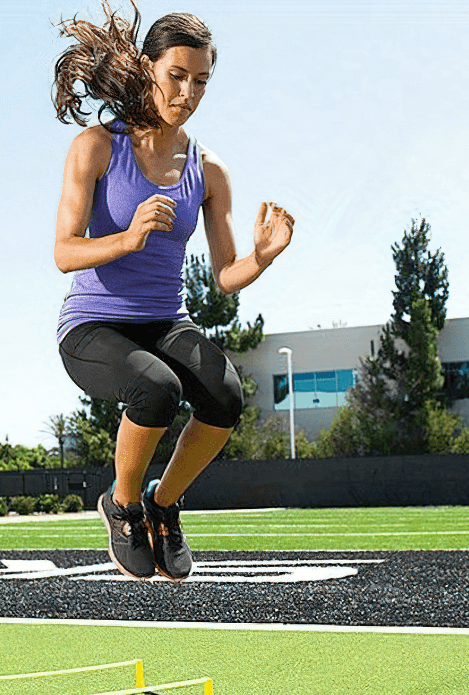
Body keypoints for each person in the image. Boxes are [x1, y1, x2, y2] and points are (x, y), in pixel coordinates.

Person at [51, 1, 293, 581]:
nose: (187, 92)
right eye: (176, 76)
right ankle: (124, 505)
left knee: (225, 395)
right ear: (148, 68)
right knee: (156, 389)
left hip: (166, 322)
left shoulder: (208, 172)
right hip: (94, 326)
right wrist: (128, 238)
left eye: (201, 80)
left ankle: (164, 504)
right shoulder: (97, 147)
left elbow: (225, 275)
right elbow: (63, 252)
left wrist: (260, 257)